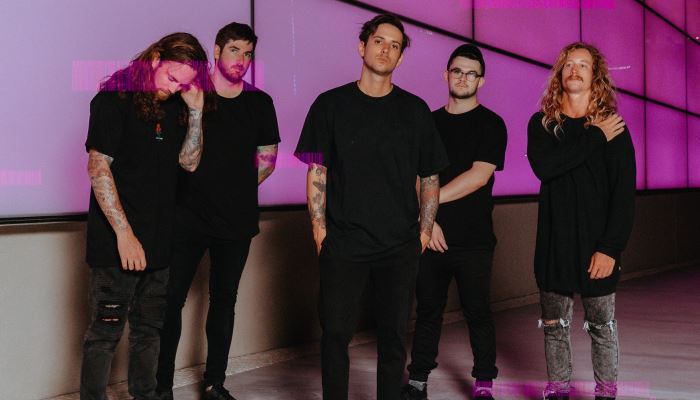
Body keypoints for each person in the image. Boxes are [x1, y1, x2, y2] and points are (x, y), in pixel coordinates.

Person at [294, 13, 448, 400]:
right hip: (344, 241)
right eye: (379, 41)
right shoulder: (330, 104)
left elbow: (430, 176)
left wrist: (423, 232)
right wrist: (319, 229)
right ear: (362, 47)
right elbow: (317, 170)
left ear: (401, 58)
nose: (386, 50)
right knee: (335, 335)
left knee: (393, 339)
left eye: (395, 46)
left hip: (399, 245)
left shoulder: (415, 111)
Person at [81, 32, 211, 400]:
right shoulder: (113, 99)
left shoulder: (175, 105)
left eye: (183, 84)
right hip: (116, 243)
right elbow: (98, 169)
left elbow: (189, 164)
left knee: (149, 331)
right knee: (104, 334)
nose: (174, 89)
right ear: (155, 58)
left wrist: (196, 113)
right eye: (171, 77)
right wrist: (125, 235)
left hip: (160, 242)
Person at [155, 22, 280, 400]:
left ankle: (214, 383)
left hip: (236, 221)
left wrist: (234, 189)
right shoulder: (190, 94)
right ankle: (161, 388)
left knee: (224, 302)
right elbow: (169, 152)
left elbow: (268, 159)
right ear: (217, 50)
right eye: (234, 50)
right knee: (170, 301)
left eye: (248, 53)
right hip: (186, 217)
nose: (241, 59)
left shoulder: (260, 102)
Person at [527, 42, 636, 400]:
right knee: (554, 326)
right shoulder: (542, 125)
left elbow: (623, 196)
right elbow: (547, 168)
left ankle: (606, 393)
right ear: (560, 74)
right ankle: (558, 391)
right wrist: (594, 136)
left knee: (602, 327)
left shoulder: (614, 128)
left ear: (595, 76)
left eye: (583, 65)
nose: (574, 69)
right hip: (554, 247)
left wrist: (610, 248)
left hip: (597, 247)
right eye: (568, 64)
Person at [401, 44, 507, 400]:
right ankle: (417, 382)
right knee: (427, 311)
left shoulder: (492, 124)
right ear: (446, 74)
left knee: (478, 312)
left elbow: (479, 176)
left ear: (481, 81)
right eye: (457, 71)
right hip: (430, 235)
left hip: (474, 240)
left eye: (471, 73)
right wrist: (428, 220)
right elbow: (416, 175)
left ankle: (484, 384)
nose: (463, 78)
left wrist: (429, 205)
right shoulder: (427, 122)